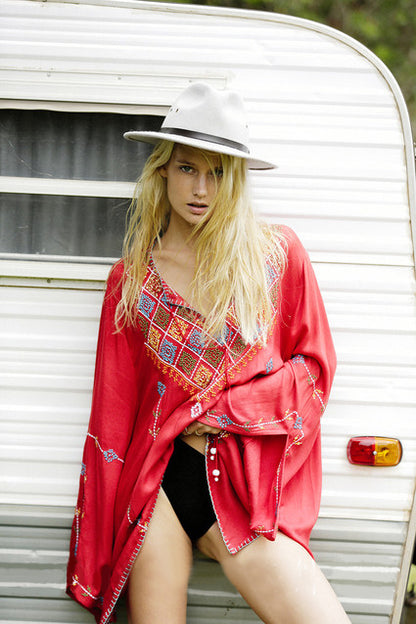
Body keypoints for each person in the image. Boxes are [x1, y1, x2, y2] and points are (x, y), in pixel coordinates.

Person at [66, 82, 351, 624]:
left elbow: (314, 373)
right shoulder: (131, 282)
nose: (201, 188)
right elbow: (112, 416)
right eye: (187, 169)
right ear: (162, 172)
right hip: (159, 490)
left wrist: (223, 412)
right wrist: (95, 549)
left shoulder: (276, 255)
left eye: (217, 172)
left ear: (235, 179)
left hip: (238, 484)